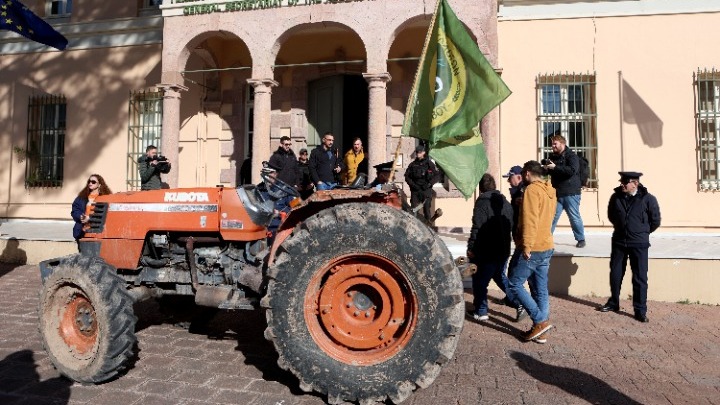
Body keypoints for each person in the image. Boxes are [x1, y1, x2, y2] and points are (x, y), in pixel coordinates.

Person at [599, 171, 661, 323]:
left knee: (640, 278)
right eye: (621, 181)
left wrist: (641, 231)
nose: (622, 184)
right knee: (615, 274)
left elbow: (655, 221)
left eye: (625, 182)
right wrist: (622, 228)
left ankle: (640, 310)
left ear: (635, 184)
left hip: (639, 244)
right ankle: (614, 302)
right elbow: (611, 216)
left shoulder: (648, 199)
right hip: (619, 241)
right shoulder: (616, 197)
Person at [507, 161, 557, 343]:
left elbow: (530, 220)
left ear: (527, 174)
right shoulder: (550, 190)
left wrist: (526, 245)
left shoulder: (532, 190)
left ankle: (539, 321)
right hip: (546, 244)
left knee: (514, 283)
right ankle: (541, 332)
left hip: (533, 247)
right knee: (540, 289)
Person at [466, 173, 514, 322]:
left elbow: (477, 227)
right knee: (499, 276)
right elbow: (510, 224)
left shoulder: (482, 203)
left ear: (481, 188)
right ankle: (518, 302)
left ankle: (481, 311)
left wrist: (471, 247)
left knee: (479, 280)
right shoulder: (505, 202)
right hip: (503, 248)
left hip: (486, 250)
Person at [543, 135, 586, 248]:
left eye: (555, 144)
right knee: (552, 216)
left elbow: (571, 171)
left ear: (562, 144)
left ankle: (581, 239)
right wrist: (546, 169)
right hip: (556, 192)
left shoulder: (572, 156)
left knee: (574, 216)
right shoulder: (553, 157)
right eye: (552, 144)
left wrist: (554, 167)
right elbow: (554, 172)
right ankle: (546, 238)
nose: (552, 146)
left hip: (571, 192)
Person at [502, 165, 530, 321]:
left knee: (515, 276)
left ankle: (521, 305)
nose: (508, 181)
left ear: (519, 177)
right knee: (513, 271)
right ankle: (511, 299)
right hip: (520, 239)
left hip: (525, 241)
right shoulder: (517, 192)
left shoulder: (523, 192)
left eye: (510, 177)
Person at [71, 174, 112, 251]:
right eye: (89, 181)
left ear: (99, 184)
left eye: (93, 182)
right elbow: (74, 210)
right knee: (83, 255)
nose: (90, 183)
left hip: (97, 232)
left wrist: (90, 219)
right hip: (82, 231)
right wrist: (80, 216)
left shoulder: (105, 197)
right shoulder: (82, 197)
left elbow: (107, 213)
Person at [404, 145, 439, 221]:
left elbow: (437, 175)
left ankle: (429, 228)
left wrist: (429, 184)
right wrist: (413, 185)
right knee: (414, 210)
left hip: (426, 190)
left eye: (419, 152)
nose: (418, 154)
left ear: (424, 152)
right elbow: (407, 177)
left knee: (426, 210)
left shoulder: (429, 164)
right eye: (417, 152)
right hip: (415, 190)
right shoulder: (413, 164)